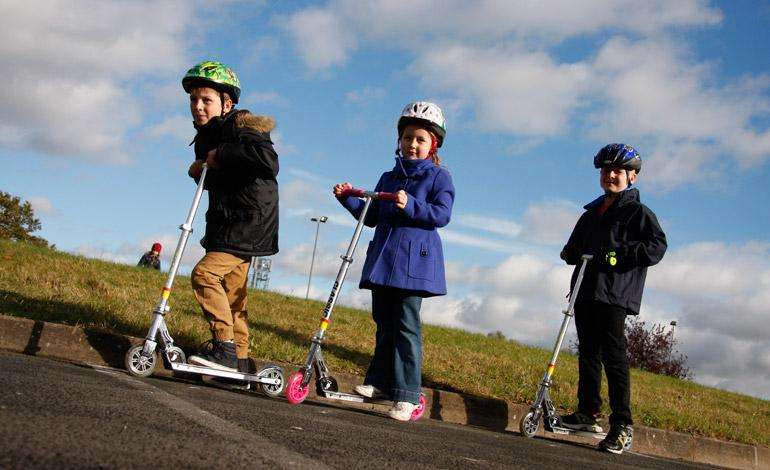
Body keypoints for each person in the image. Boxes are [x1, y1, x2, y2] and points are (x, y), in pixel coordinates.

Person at [333, 101, 455, 421]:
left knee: (406, 327)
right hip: (385, 260)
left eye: (420, 139)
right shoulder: (388, 177)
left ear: (433, 144)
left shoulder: (439, 177)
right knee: (384, 323)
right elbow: (371, 216)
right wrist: (348, 199)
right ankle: (380, 382)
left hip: (414, 265)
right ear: (399, 140)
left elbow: (441, 215)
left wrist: (411, 204)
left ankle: (409, 394)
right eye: (407, 138)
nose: (412, 144)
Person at [559, 143, 667, 454]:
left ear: (632, 177)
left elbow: (656, 248)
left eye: (618, 171)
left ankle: (622, 425)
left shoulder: (639, 213)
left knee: (614, 357)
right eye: (606, 170)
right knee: (588, 352)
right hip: (586, 289)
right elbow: (574, 247)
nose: (611, 175)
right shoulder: (592, 213)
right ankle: (587, 412)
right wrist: (570, 253)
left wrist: (617, 258)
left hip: (615, 294)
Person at [182, 61, 279, 373]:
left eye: (206, 100)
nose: (198, 106)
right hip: (227, 222)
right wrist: (199, 170)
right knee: (233, 295)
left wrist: (220, 156)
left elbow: (267, 161)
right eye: (194, 100)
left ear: (227, 103)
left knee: (205, 276)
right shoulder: (205, 137)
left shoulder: (242, 125)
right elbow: (219, 179)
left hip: (249, 221)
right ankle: (239, 361)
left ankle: (223, 347)